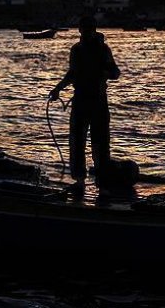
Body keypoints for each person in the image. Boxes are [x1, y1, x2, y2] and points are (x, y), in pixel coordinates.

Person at [49, 15, 120, 189]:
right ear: (80, 30)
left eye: (90, 29)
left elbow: (115, 73)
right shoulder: (76, 50)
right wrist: (58, 89)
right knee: (77, 142)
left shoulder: (103, 50)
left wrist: (105, 72)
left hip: (98, 103)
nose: (87, 32)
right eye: (85, 29)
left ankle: (101, 181)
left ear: (94, 30)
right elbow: (72, 74)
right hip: (81, 102)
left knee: (100, 143)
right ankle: (80, 180)